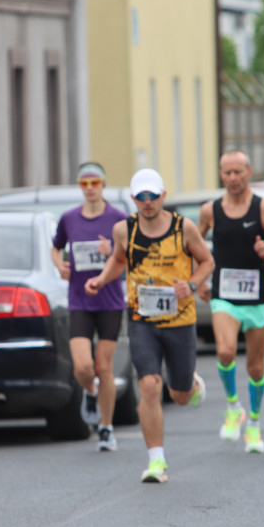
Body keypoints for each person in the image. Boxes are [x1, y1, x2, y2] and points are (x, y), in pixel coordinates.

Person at [85, 168, 214, 482]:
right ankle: (156, 460)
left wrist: (193, 285)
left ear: (163, 196)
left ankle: (191, 385)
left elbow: (207, 261)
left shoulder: (184, 229)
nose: (147, 202)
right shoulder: (123, 230)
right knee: (149, 386)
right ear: (133, 199)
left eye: (152, 196)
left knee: (179, 395)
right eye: (141, 197)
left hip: (180, 321)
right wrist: (102, 279)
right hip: (142, 320)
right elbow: (118, 258)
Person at [197, 151, 264, 453]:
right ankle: (233, 406)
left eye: (238, 172)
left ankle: (255, 423)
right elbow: (192, 246)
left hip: (257, 298)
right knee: (224, 351)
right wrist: (196, 280)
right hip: (224, 296)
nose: (233, 178)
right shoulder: (209, 210)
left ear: (249, 172)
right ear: (221, 175)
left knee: (255, 366)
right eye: (227, 173)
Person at [50, 161, 128, 451]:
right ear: (80, 187)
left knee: (103, 366)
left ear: (104, 184)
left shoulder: (119, 219)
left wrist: (114, 251)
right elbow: (55, 246)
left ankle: (106, 428)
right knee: (83, 367)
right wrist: (59, 266)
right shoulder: (69, 218)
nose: (91, 188)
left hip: (109, 301)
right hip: (79, 300)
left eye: (96, 182)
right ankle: (91, 391)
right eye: (85, 184)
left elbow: (131, 255)